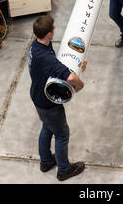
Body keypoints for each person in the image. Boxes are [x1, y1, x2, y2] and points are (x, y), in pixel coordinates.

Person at [28, 15, 87, 182]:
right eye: (53, 28)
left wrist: (77, 65)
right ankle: (64, 170)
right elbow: (70, 78)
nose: (55, 30)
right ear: (48, 34)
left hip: (38, 97)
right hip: (49, 103)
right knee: (62, 134)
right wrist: (80, 85)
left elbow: (55, 65)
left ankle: (46, 162)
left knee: (47, 127)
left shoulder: (37, 46)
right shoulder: (46, 58)